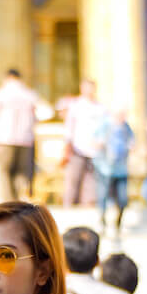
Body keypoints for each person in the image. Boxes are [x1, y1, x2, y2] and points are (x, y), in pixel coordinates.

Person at [0, 69, 39, 202]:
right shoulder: (30, 94)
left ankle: (8, 202)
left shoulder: (1, 94)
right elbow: (37, 116)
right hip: (25, 139)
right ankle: (21, 202)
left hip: (5, 138)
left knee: (4, 171)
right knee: (22, 172)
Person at [62, 79, 103, 207]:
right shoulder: (75, 106)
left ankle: (88, 205)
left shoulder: (99, 108)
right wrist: (67, 145)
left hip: (94, 150)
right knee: (73, 179)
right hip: (77, 147)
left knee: (91, 181)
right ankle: (68, 205)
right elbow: (69, 127)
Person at [94, 107, 134, 233]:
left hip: (121, 169)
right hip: (105, 168)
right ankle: (103, 221)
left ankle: (118, 222)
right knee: (103, 195)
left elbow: (132, 142)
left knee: (122, 198)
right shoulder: (105, 125)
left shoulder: (126, 127)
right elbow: (95, 141)